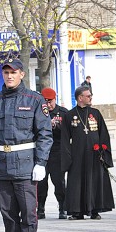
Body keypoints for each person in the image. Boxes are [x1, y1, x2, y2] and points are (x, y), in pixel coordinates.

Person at [0, 58, 52, 232]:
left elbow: (45, 134)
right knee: (8, 212)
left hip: (26, 165)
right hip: (1, 165)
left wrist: (41, 163)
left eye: (14, 72)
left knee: (28, 211)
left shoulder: (34, 100)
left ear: (22, 74)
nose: (9, 76)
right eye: (6, 72)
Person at [62, 85, 115, 220]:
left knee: (95, 181)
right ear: (80, 98)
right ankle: (76, 211)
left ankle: (95, 209)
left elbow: (104, 134)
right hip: (77, 155)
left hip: (94, 155)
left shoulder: (95, 113)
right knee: (77, 183)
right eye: (88, 96)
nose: (91, 98)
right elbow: (65, 139)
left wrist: (103, 152)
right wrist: (67, 158)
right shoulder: (69, 115)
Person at [37, 87, 68, 220]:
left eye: (51, 101)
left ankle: (63, 207)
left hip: (57, 152)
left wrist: (58, 126)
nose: (48, 105)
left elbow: (68, 133)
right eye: (46, 102)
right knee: (41, 183)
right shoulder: (38, 112)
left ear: (55, 100)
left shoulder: (63, 113)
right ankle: (41, 209)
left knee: (59, 182)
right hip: (42, 152)